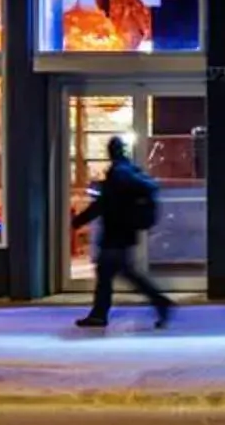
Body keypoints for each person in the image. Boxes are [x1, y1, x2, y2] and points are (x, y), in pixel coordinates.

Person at [73, 134, 176, 331]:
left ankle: (159, 302)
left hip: (116, 233)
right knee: (112, 273)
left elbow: (104, 203)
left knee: (116, 273)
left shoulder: (118, 173)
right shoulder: (129, 170)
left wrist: (80, 220)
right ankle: (100, 314)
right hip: (124, 232)